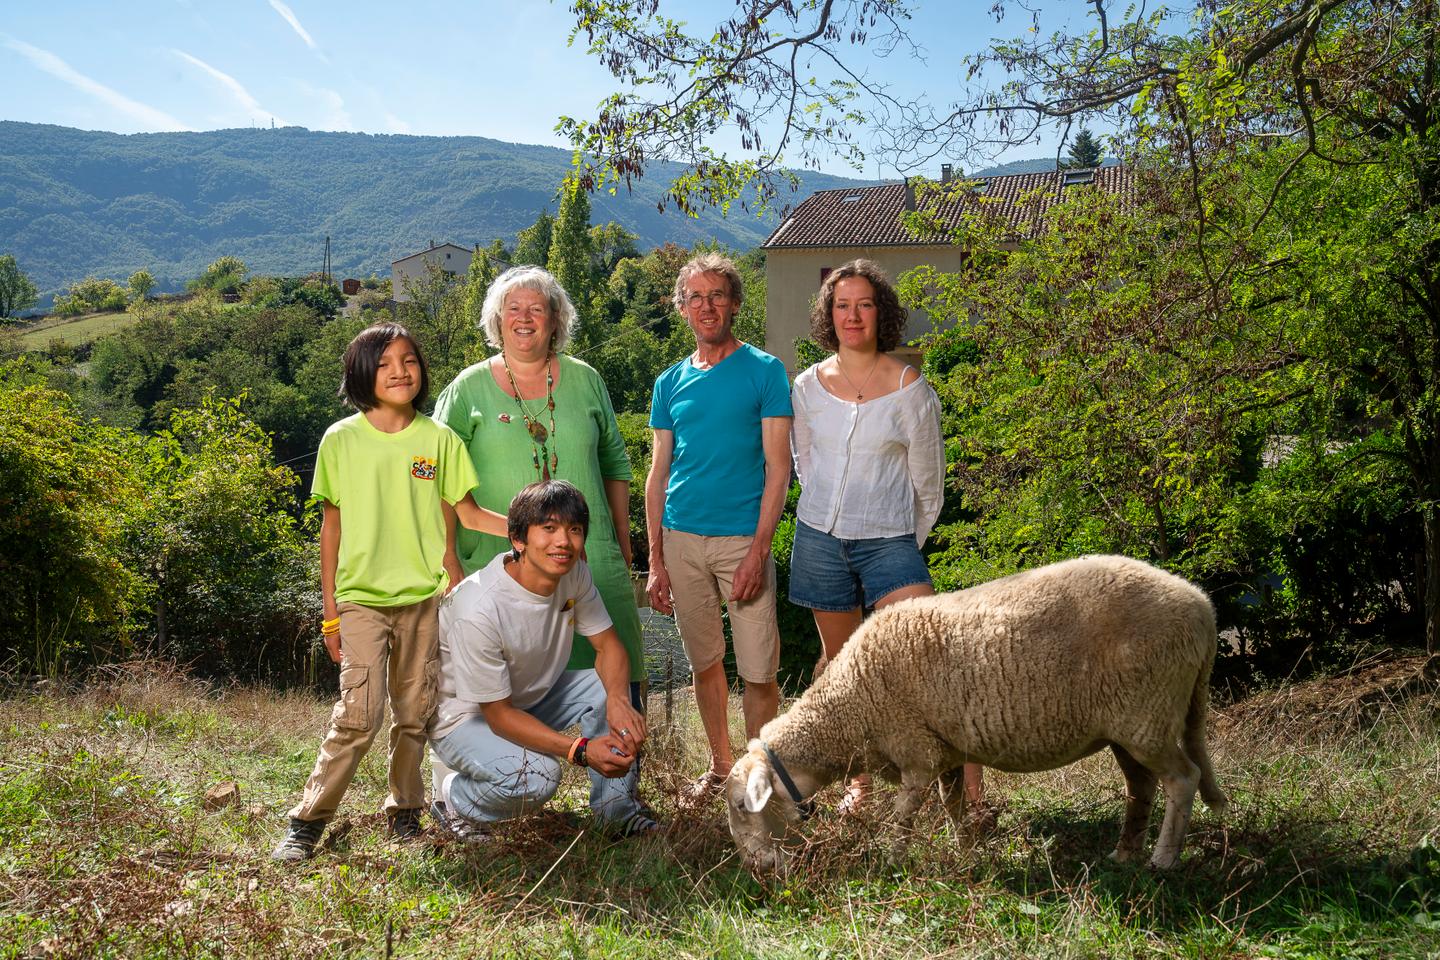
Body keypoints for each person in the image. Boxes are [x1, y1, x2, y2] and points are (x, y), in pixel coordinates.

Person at [272, 321, 508, 863]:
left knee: (415, 712)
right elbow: (331, 529)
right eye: (384, 364)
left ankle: (405, 811)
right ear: (362, 373)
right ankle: (307, 821)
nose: (400, 372)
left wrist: (528, 527)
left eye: (409, 361)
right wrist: (330, 612)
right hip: (360, 600)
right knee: (359, 715)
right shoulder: (340, 439)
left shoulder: (439, 440)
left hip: (425, 599)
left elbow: (469, 514)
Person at [789, 258, 983, 814]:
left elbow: (929, 484)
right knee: (842, 670)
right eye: (842, 305)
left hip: (890, 542)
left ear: (882, 314)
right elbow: (805, 463)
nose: (853, 316)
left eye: (864, 305)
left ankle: (970, 797)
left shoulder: (909, 388)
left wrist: (900, 540)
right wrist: (832, 512)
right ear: (828, 315)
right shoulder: (806, 386)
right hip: (820, 540)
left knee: (932, 664)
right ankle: (861, 784)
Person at [434, 267, 644, 711]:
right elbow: (439, 483)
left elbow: (615, 466)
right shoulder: (466, 389)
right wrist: (447, 558)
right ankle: (519, 758)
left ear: (555, 319)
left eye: (537, 308)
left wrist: (621, 544)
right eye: (513, 308)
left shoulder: (587, 380)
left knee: (618, 683)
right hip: (497, 565)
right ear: (497, 319)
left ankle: (619, 755)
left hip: (589, 558)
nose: (524, 318)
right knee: (502, 692)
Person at [428, 480, 659, 838]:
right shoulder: (478, 607)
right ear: (517, 539)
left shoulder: (573, 574)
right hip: (466, 719)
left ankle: (616, 811)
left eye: (574, 529)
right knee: (539, 777)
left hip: (525, 699)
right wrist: (580, 750)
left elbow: (609, 647)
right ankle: (453, 798)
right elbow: (499, 715)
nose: (563, 541)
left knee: (609, 686)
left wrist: (617, 700)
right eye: (549, 528)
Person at [645, 252, 793, 803]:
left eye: (717, 296)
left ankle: (758, 774)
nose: (706, 307)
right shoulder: (669, 382)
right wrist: (656, 559)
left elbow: (779, 468)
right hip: (681, 540)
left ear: (734, 304)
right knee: (704, 662)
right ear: (682, 308)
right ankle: (719, 766)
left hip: (742, 540)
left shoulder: (765, 371)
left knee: (758, 671)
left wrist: (759, 551)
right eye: (695, 298)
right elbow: (658, 474)